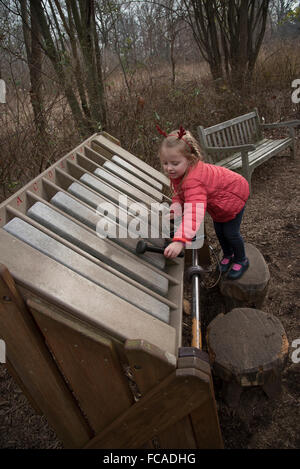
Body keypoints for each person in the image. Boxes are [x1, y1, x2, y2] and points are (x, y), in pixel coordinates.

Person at [157, 125, 250, 280]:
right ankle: (228, 255)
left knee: (231, 233)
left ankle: (241, 259)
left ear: (190, 159)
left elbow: (194, 212)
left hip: (234, 195)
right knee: (220, 231)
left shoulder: (194, 180)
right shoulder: (181, 173)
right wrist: (175, 210)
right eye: (165, 163)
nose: (169, 168)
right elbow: (180, 194)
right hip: (220, 202)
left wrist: (180, 241)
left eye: (174, 163)